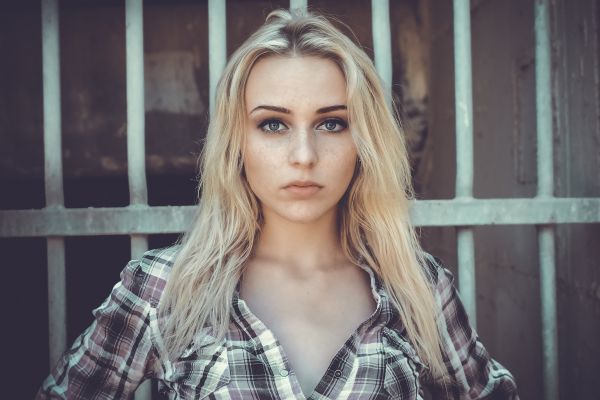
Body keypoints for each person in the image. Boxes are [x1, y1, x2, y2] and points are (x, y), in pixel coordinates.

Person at [37, 8, 519, 399]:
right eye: (273, 124)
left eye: (332, 123)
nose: (304, 156)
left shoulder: (417, 287)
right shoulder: (164, 288)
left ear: (364, 140)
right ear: (236, 143)